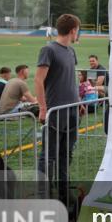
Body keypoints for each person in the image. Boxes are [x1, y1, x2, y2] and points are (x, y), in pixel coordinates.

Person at [35, 14, 81, 210]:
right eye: (77, 30)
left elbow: (71, 79)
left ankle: (64, 195)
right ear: (72, 30)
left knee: (66, 154)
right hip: (55, 111)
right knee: (48, 156)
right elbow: (38, 80)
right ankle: (42, 196)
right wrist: (43, 108)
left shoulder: (71, 51)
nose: (78, 33)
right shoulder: (48, 49)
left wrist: (78, 101)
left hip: (71, 111)